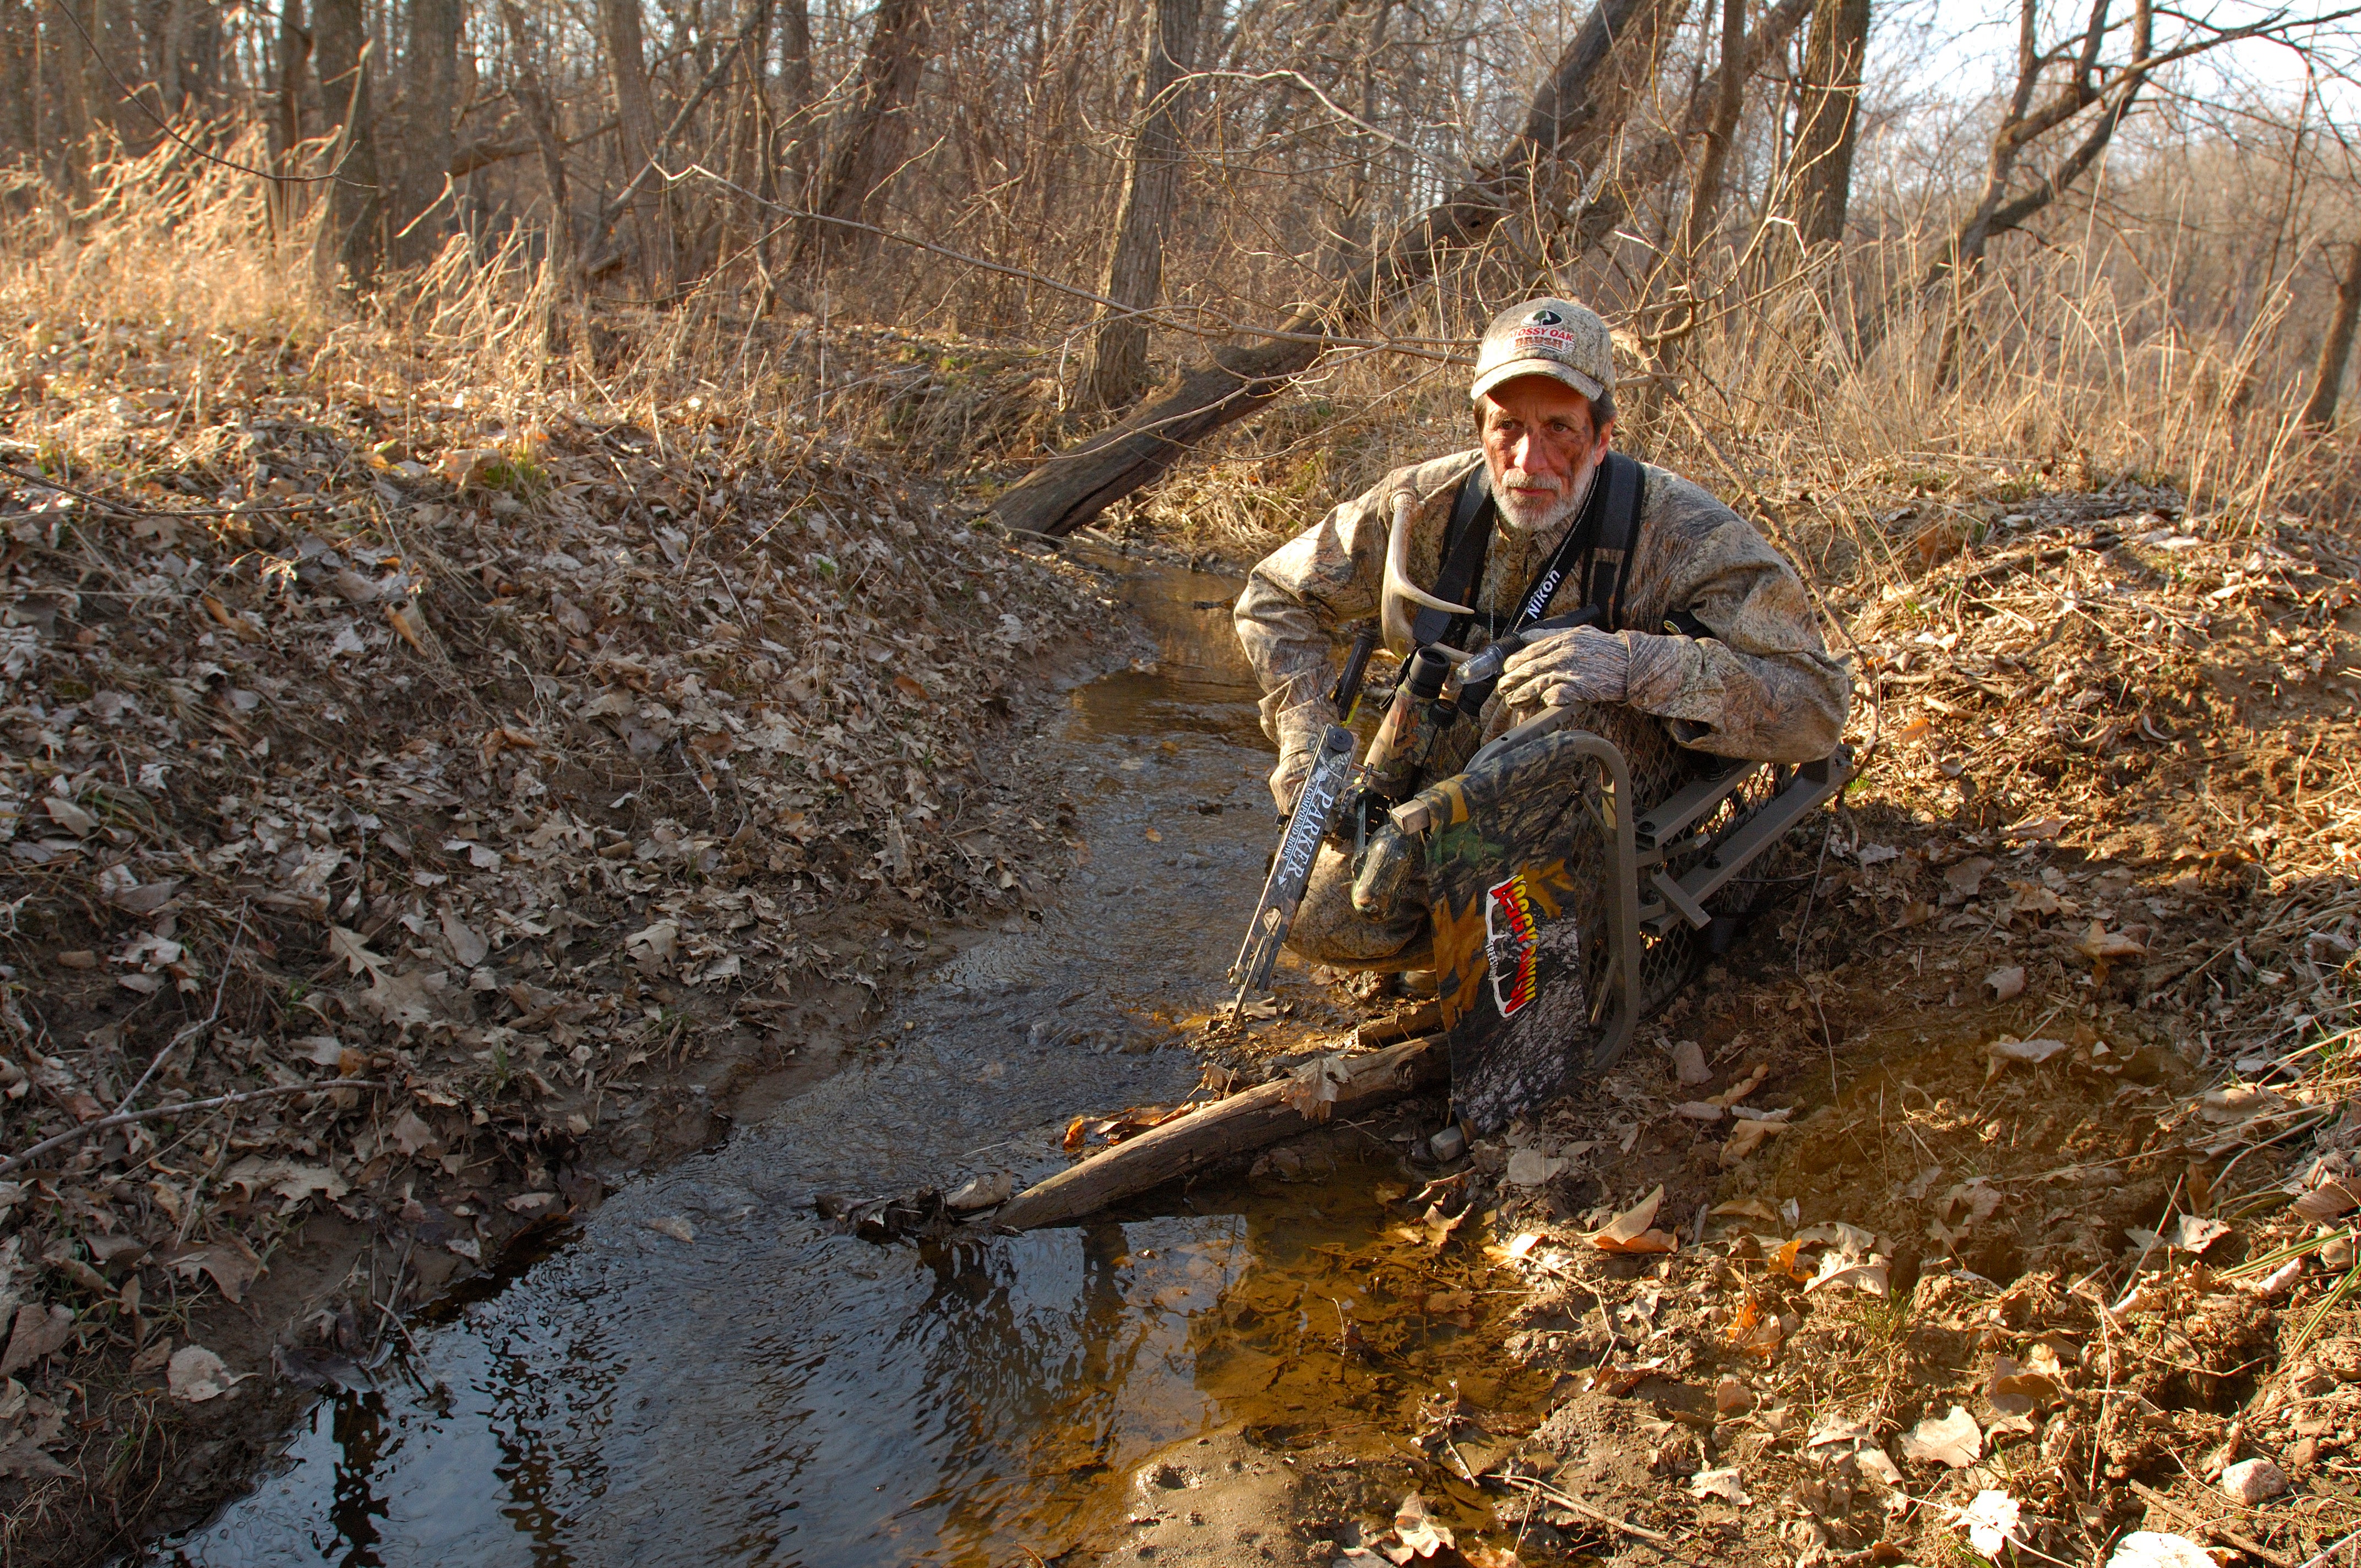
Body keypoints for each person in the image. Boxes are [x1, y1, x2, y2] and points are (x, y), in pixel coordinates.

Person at [1233, 296, 1851, 970]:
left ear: (1602, 436)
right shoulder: (1421, 505)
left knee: (1546, 695)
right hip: (1453, 768)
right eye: (1508, 427)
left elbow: (1816, 705)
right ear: (1480, 426)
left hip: (1608, 794)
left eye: (1560, 428)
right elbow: (1272, 597)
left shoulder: (1684, 532)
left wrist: (1632, 665)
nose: (1530, 460)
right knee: (1316, 921)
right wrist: (1305, 737)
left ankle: (1541, 942)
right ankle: (1466, 942)